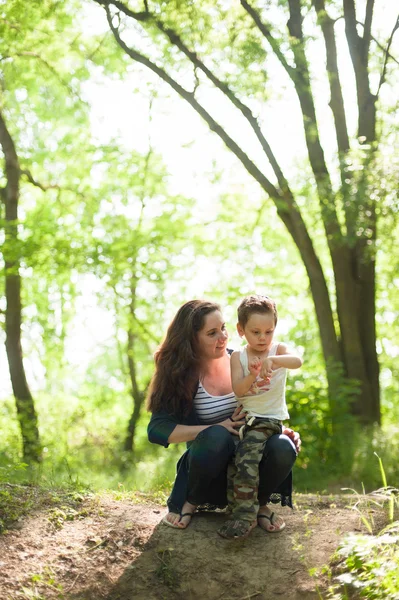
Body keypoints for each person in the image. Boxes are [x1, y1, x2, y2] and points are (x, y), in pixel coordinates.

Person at [146, 299, 301, 536]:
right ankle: (191, 499)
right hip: (209, 472)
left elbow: (261, 406)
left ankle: (258, 503)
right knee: (217, 436)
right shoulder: (181, 376)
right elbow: (157, 430)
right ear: (192, 338)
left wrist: (279, 431)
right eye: (212, 333)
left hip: (249, 466)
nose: (223, 337)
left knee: (283, 446)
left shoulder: (242, 359)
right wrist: (213, 427)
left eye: (223, 328)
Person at [217, 294, 303, 539]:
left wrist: (273, 361)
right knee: (235, 464)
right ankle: (238, 508)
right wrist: (253, 374)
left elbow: (297, 361)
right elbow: (239, 390)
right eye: (256, 332)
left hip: (268, 420)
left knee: (246, 459)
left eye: (269, 331)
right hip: (246, 421)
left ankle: (245, 518)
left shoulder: (278, 351)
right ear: (241, 330)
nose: (263, 338)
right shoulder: (238, 357)